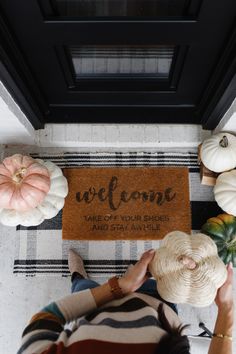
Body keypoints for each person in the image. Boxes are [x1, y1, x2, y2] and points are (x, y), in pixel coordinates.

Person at [17, 249, 234, 354]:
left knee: (82, 288)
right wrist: (226, 308)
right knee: (158, 280)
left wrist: (118, 287)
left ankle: (78, 275)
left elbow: (43, 321)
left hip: (96, 308)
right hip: (158, 307)